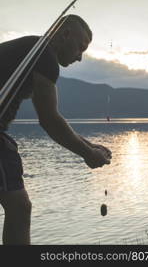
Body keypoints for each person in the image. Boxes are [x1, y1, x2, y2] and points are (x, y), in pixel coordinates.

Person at [0, 14, 112, 245]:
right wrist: (88, 154)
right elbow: (50, 120)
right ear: (65, 34)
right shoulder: (44, 55)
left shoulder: (29, 49)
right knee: (19, 207)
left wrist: (90, 145)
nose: (80, 57)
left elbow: (52, 120)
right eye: (80, 48)